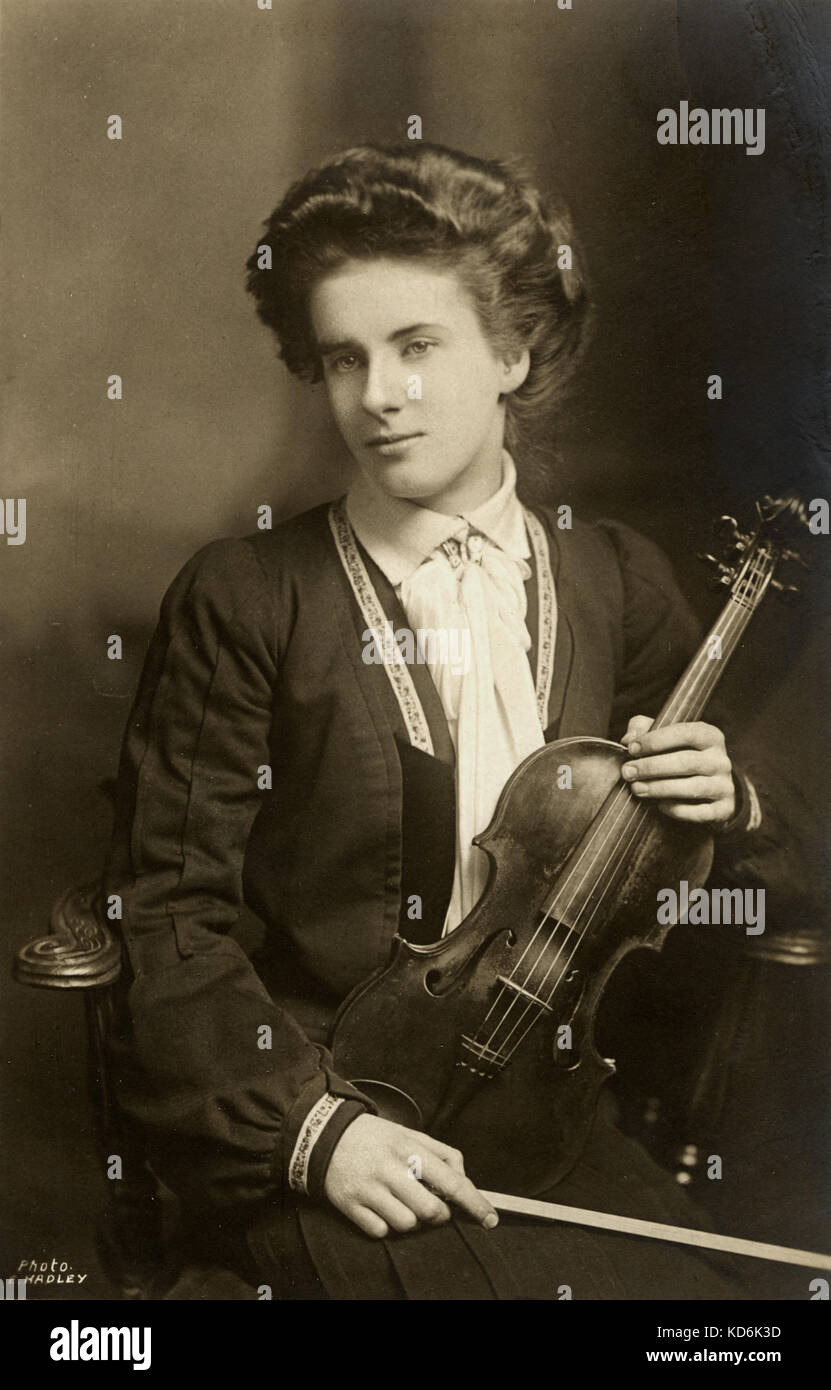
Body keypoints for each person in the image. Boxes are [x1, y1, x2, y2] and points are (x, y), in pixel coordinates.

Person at [103, 143, 816, 1300]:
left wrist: (730, 798)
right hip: (331, 1113)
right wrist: (316, 1132)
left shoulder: (615, 579)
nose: (377, 395)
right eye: (344, 358)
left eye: (418, 346)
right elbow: (171, 917)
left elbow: (764, 839)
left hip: (551, 1118)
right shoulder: (246, 593)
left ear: (512, 353)